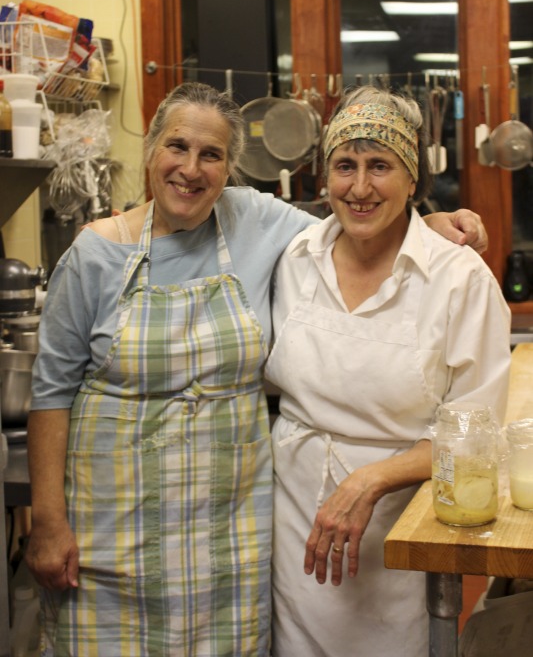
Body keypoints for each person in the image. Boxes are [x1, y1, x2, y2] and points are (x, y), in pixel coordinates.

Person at [26, 81, 489, 657]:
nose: (191, 170)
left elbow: (361, 213)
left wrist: (432, 221)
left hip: (229, 535)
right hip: (112, 527)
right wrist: (46, 520)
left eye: (212, 155)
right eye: (177, 147)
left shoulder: (257, 223)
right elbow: (51, 391)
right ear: (150, 151)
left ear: (231, 170)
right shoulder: (94, 254)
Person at [264, 85, 511, 657]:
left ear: (412, 179)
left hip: (402, 532)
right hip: (296, 518)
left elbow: (477, 438)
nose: (360, 187)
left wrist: (371, 479)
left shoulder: (458, 279)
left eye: (381, 166)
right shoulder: (296, 258)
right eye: (344, 166)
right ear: (325, 177)